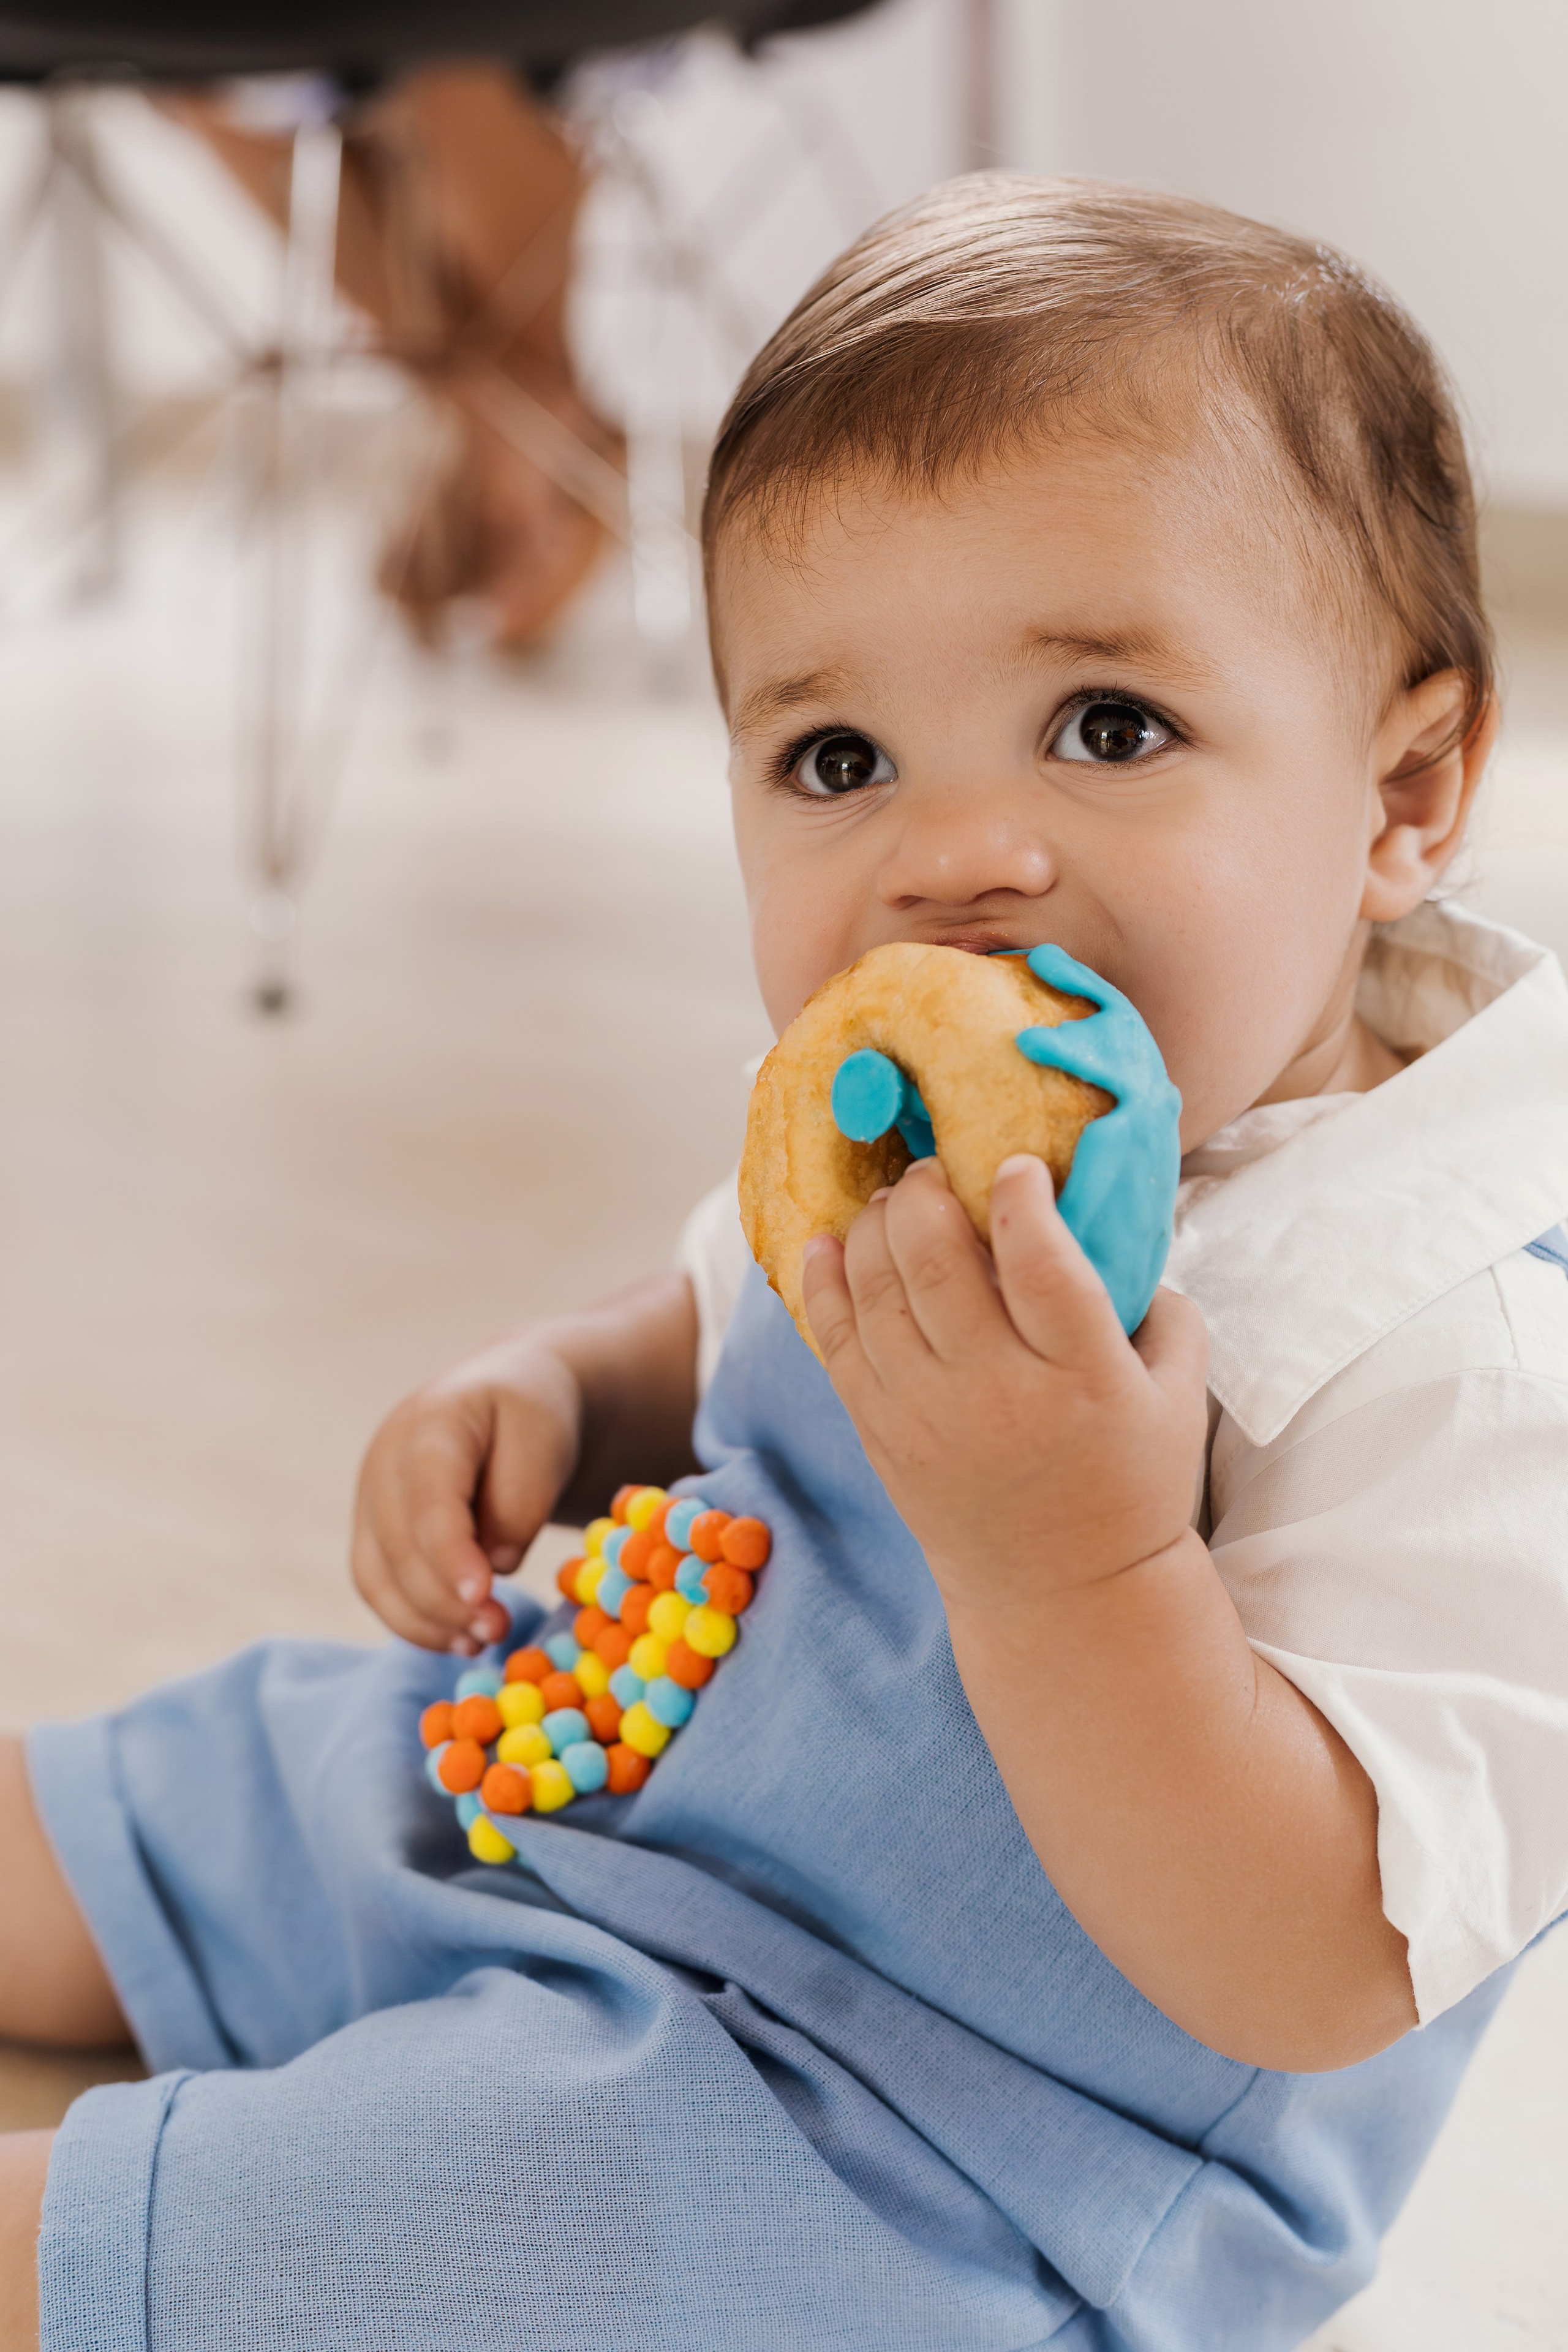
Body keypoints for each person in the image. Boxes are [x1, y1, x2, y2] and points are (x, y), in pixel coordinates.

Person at [5, 173, 1568, 2350]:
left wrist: (1077, 1565)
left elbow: (1312, 1965)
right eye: (837, 759)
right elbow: (729, 1319)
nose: (949, 861)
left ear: (1406, 792)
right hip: (631, 1782)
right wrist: (572, 1391)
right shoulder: (897, 1123)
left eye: (1108, 725)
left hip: (921, 2129)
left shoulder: (1469, 1352)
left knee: (492, 2212)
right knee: (239, 1777)